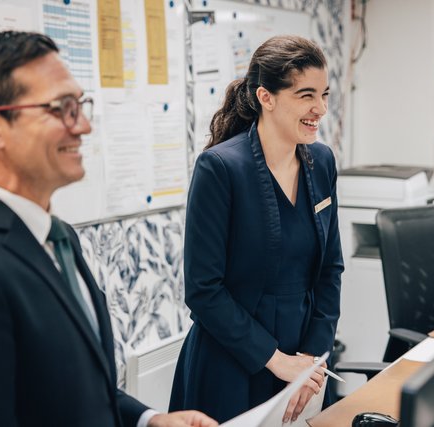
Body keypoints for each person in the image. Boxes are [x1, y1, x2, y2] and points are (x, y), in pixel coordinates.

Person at [0, 31, 217, 427]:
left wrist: (148, 420)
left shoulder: (60, 236)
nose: (82, 126)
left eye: (81, 105)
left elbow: (74, 384)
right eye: (62, 108)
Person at [169, 35, 344, 423]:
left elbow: (330, 269)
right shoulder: (220, 168)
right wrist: (276, 361)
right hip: (233, 360)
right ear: (266, 97)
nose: (320, 109)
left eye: (325, 94)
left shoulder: (322, 161)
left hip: (304, 362)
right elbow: (203, 290)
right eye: (306, 95)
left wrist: (311, 360)